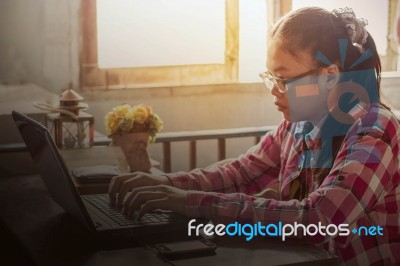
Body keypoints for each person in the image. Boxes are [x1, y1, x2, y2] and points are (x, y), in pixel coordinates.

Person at [109, 7, 400, 265]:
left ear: (330, 75)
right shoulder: (299, 124)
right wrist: (167, 184)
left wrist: (186, 200)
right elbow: (242, 173)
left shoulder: (373, 128)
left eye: (283, 79)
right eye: (270, 77)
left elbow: (320, 218)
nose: (274, 89)